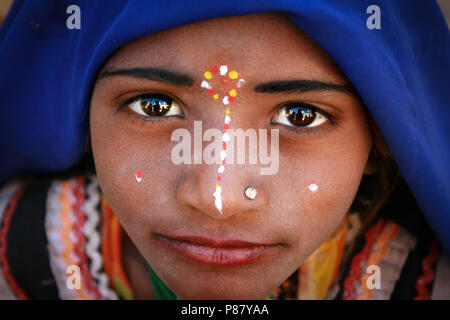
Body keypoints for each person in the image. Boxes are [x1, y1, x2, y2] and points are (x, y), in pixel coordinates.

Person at [0, 1, 449, 300]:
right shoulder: (18, 257)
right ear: (83, 118)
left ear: (381, 140)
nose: (220, 200)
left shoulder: (418, 284)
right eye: (155, 106)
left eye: (299, 116)